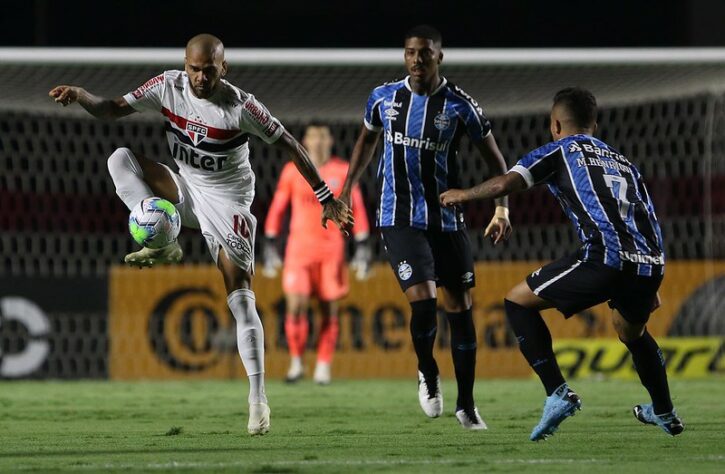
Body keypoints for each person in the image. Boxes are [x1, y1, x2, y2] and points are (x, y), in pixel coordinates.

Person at [48, 33, 352, 436]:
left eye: (209, 70)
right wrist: (82, 95)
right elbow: (112, 109)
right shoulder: (167, 86)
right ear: (185, 64)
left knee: (241, 299)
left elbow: (291, 145)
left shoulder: (242, 106)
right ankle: (162, 239)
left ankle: (258, 398)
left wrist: (325, 197)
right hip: (185, 188)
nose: (201, 77)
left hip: (229, 204)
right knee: (120, 159)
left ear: (223, 68)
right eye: (194, 69)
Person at [440, 87, 683, 440]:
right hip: (648, 259)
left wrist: (464, 194)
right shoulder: (623, 162)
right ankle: (664, 411)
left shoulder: (559, 151)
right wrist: (650, 279)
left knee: (516, 301)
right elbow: (645, 215)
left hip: (606, 255)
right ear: (594, 125)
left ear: (555, 124)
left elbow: (509, 181)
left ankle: (557, 393)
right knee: (631, 331)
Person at [339, 25, 512, 430]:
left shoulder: (460, 106)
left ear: (440, 57)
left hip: (447, 219)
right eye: (411, 53)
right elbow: (365, 141)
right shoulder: (383, 98)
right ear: (405, 56)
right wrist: (346, 191)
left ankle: (466, 405)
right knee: (422, 299)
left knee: (460, 310)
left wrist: (501, 209)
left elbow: (497, 163)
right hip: (397, 215)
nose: (417, 59)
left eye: (425, 53)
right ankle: (427, 370)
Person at [263, 121, 371, 385]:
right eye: (314, 136)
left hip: (331, 252)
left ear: (330, 141)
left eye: (323, 136)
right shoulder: (292, 171)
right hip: (298, 251)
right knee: (296, 307)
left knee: (328, 311)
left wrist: (363, 245)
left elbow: (356, 208)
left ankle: (323, 366)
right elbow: (278, 207)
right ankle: (296, 364)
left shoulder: (343, 170)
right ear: (306, 141)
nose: (319, 141)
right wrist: (269, 242)